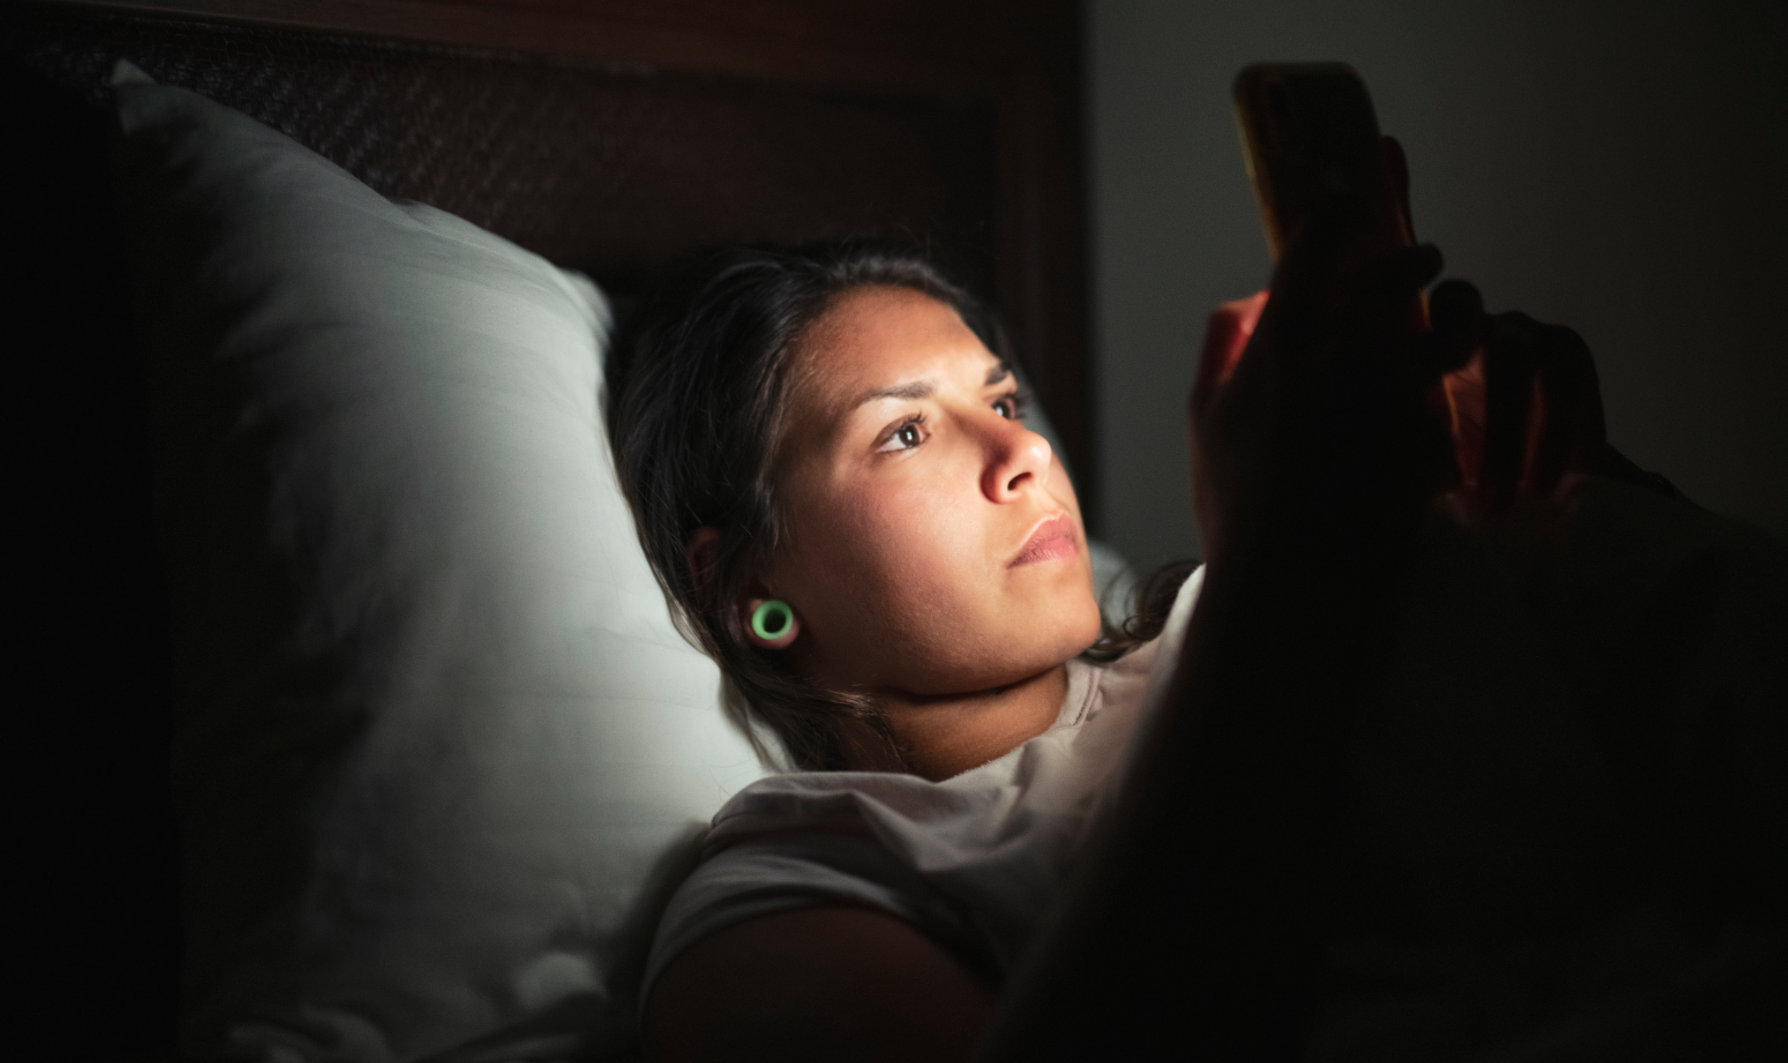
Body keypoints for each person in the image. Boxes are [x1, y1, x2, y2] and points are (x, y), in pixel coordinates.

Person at [608, 182, 1785, 1059]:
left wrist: (1594, 498)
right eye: (905, 432)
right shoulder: (801, 886)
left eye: (1004, 398)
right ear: (747, 589)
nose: (1023, 452)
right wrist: (1282, 576)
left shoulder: (1218, 610)